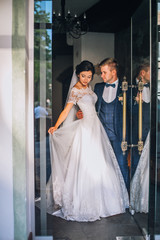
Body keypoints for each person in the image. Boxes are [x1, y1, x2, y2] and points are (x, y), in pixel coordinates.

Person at [47, 60, 129, 222]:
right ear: (78, 75)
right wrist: (56, 125)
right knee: (86, 164)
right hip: (85, 130)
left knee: (101, 163)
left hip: (96, 127)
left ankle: (106, 202)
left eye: (89, 77)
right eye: (83, 76)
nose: (86, 79)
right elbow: (66, 110)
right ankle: (84, 203)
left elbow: (92, 108)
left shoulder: (90, 88)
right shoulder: (75, 90)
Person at [94, 58, 130, 190]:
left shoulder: (125, 88)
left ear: (113, 72)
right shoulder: (98, 88)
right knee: (103, 167)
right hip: (101, 136)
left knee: (121, 166)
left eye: (104, 72)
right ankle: (108, 197)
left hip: (120, 136)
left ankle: (124, 198)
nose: (101, 75)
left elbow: (131, 115)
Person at [131, 59, 150, 178]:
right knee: (136, 162)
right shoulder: (129, 87)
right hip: (136, 131)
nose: (153, 75)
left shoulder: (152, 87)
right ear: (142, 73)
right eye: (150, 72)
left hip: (151, 131)